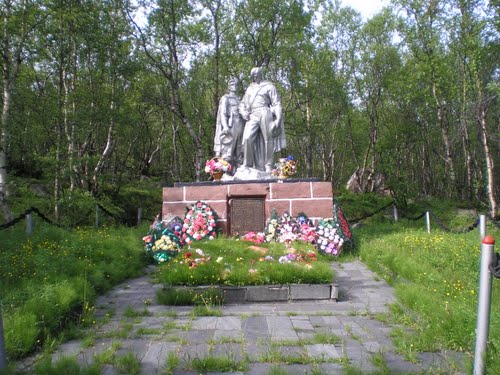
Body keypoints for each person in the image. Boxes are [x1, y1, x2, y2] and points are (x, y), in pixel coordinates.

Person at [240, 67, 286, 173]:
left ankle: (268, 165)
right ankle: (247, 163)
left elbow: (276, 103)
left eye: (257, 74)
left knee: (267, 139)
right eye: (253, 75)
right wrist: (243, 112)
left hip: (265, 112)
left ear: (261, 74)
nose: (255, 76)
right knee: (247, 138)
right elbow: (242, 103)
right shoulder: (250, 88)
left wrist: (278, 118)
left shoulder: (269, 86)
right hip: (252, 114)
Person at [213, 78, 244, 172]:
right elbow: (222, 113)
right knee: (228, 151)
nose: (234, 86)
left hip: (241, 125)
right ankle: (224, 172)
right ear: (228, 86)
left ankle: (239, 172)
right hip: (231, 126)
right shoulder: (226, 98)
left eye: (236, 84)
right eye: (232, 84)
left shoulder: (240, 99)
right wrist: (225, 126)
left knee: (240, 151)